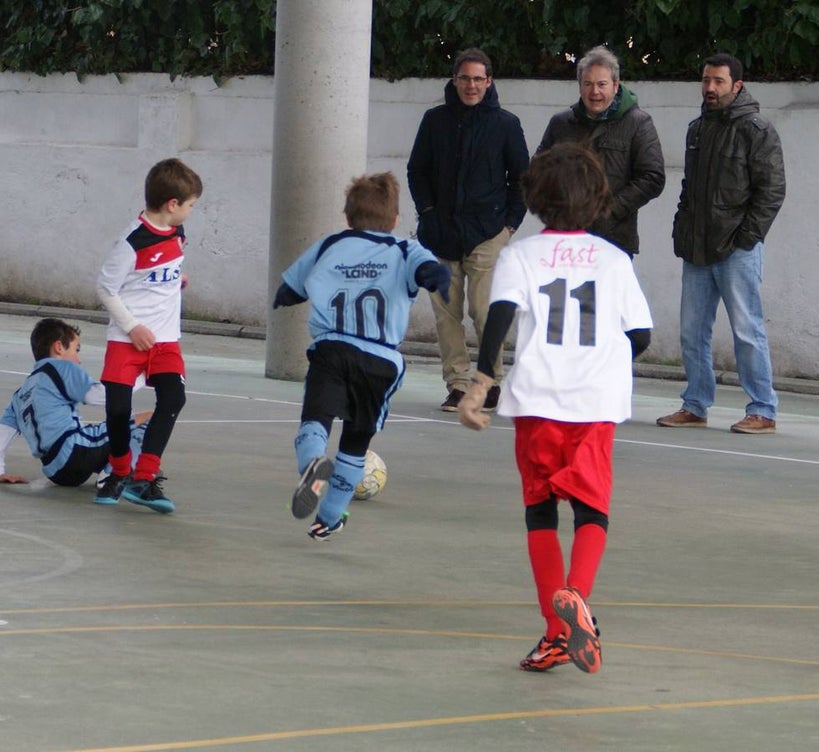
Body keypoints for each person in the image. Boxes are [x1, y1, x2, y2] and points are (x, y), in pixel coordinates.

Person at [458, 143, 653, 674]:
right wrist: (605, 360)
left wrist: (480, 383)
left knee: (539, 511)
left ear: (537, 199)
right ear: (597, 200)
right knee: (592, 511)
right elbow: (641, 334)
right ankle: (578, 601)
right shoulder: (615, 261)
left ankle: (555, 632)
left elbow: (498, 318)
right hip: (595, 402)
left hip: (538, 399)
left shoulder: (519, 256)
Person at [273, 172, 451, 541]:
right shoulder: (404, 249)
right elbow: (429, 270)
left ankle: (312, 463)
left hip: (332, 349)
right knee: (357, 438)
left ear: (348, 217)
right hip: (380, 360)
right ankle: (331, 514)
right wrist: (437, 279)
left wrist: (284, 298)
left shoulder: (330, 244)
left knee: (317, 418)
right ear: (395, 220)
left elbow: (290, 288)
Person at [657, 53, 786, 435]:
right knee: (691, 331)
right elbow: (688, 187)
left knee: (747, 330)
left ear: (737, 86)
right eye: (706, 80)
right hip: (696, 249)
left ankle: (763, 409)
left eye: (718, 81)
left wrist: (746, 239)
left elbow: (772, 191)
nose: (710, 88)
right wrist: (682, 229)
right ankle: (695, 404)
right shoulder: (697, 129)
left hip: (737, 251)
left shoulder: (757, 130)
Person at [407, 48, 530, 413]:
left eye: (478, 79)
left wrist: (509, 225)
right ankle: (458, 384)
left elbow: (522, 178)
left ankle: (489, 382)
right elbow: (418, 171)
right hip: (440, 234)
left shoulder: (506, 124)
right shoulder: (434, 120)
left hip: (488, 232)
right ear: (454, 80)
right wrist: (428, 213)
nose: (471, 85)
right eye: (465, 78)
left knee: (483, 309)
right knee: (447, 315)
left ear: (489, 81)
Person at [95, 157, 202, 514]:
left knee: (173, 399)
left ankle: (144, 478)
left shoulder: (178, 233)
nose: (191, 211)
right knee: (118, 409)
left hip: (166, 340)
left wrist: (177, 280)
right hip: (128, 340)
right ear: (172, 205)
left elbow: (164, 268)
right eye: (190, 206)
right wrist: (132, 326)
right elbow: (106, 289)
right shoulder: (130, 242)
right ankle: (119, 471)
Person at [0, 318, 150, 490]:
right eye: (76, 350)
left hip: (56, 471)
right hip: (75, 452)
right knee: (148, 418)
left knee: (109, 431)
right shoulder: (60, 368)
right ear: (58, 347)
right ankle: (114, 475)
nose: (78, 360)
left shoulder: (21, 393)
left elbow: (3, 430)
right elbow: (98, 396)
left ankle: (117, 467)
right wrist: (144, 377)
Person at [536, 45, 665, 258]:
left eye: (601, 84)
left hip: (614, 240)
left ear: (615, 86)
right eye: (588, 84)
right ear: (579, 86)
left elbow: (653, 178)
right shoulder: (560, 123)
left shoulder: (638, 123)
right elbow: (539, 169)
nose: (594, 92)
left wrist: (609, 210)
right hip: (565, 240)